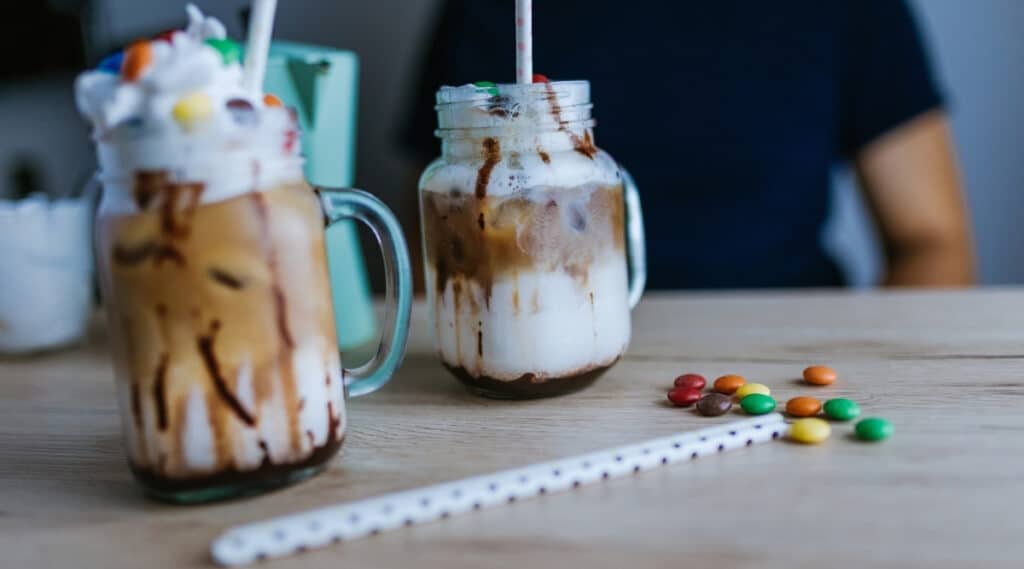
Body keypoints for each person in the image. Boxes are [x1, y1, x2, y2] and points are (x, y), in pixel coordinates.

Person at [402, 0, 974, 289]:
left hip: (788, 349)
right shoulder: (497, 9)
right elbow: (438, 244)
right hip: (544, 359)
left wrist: (872, 379)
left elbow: (932, 242)